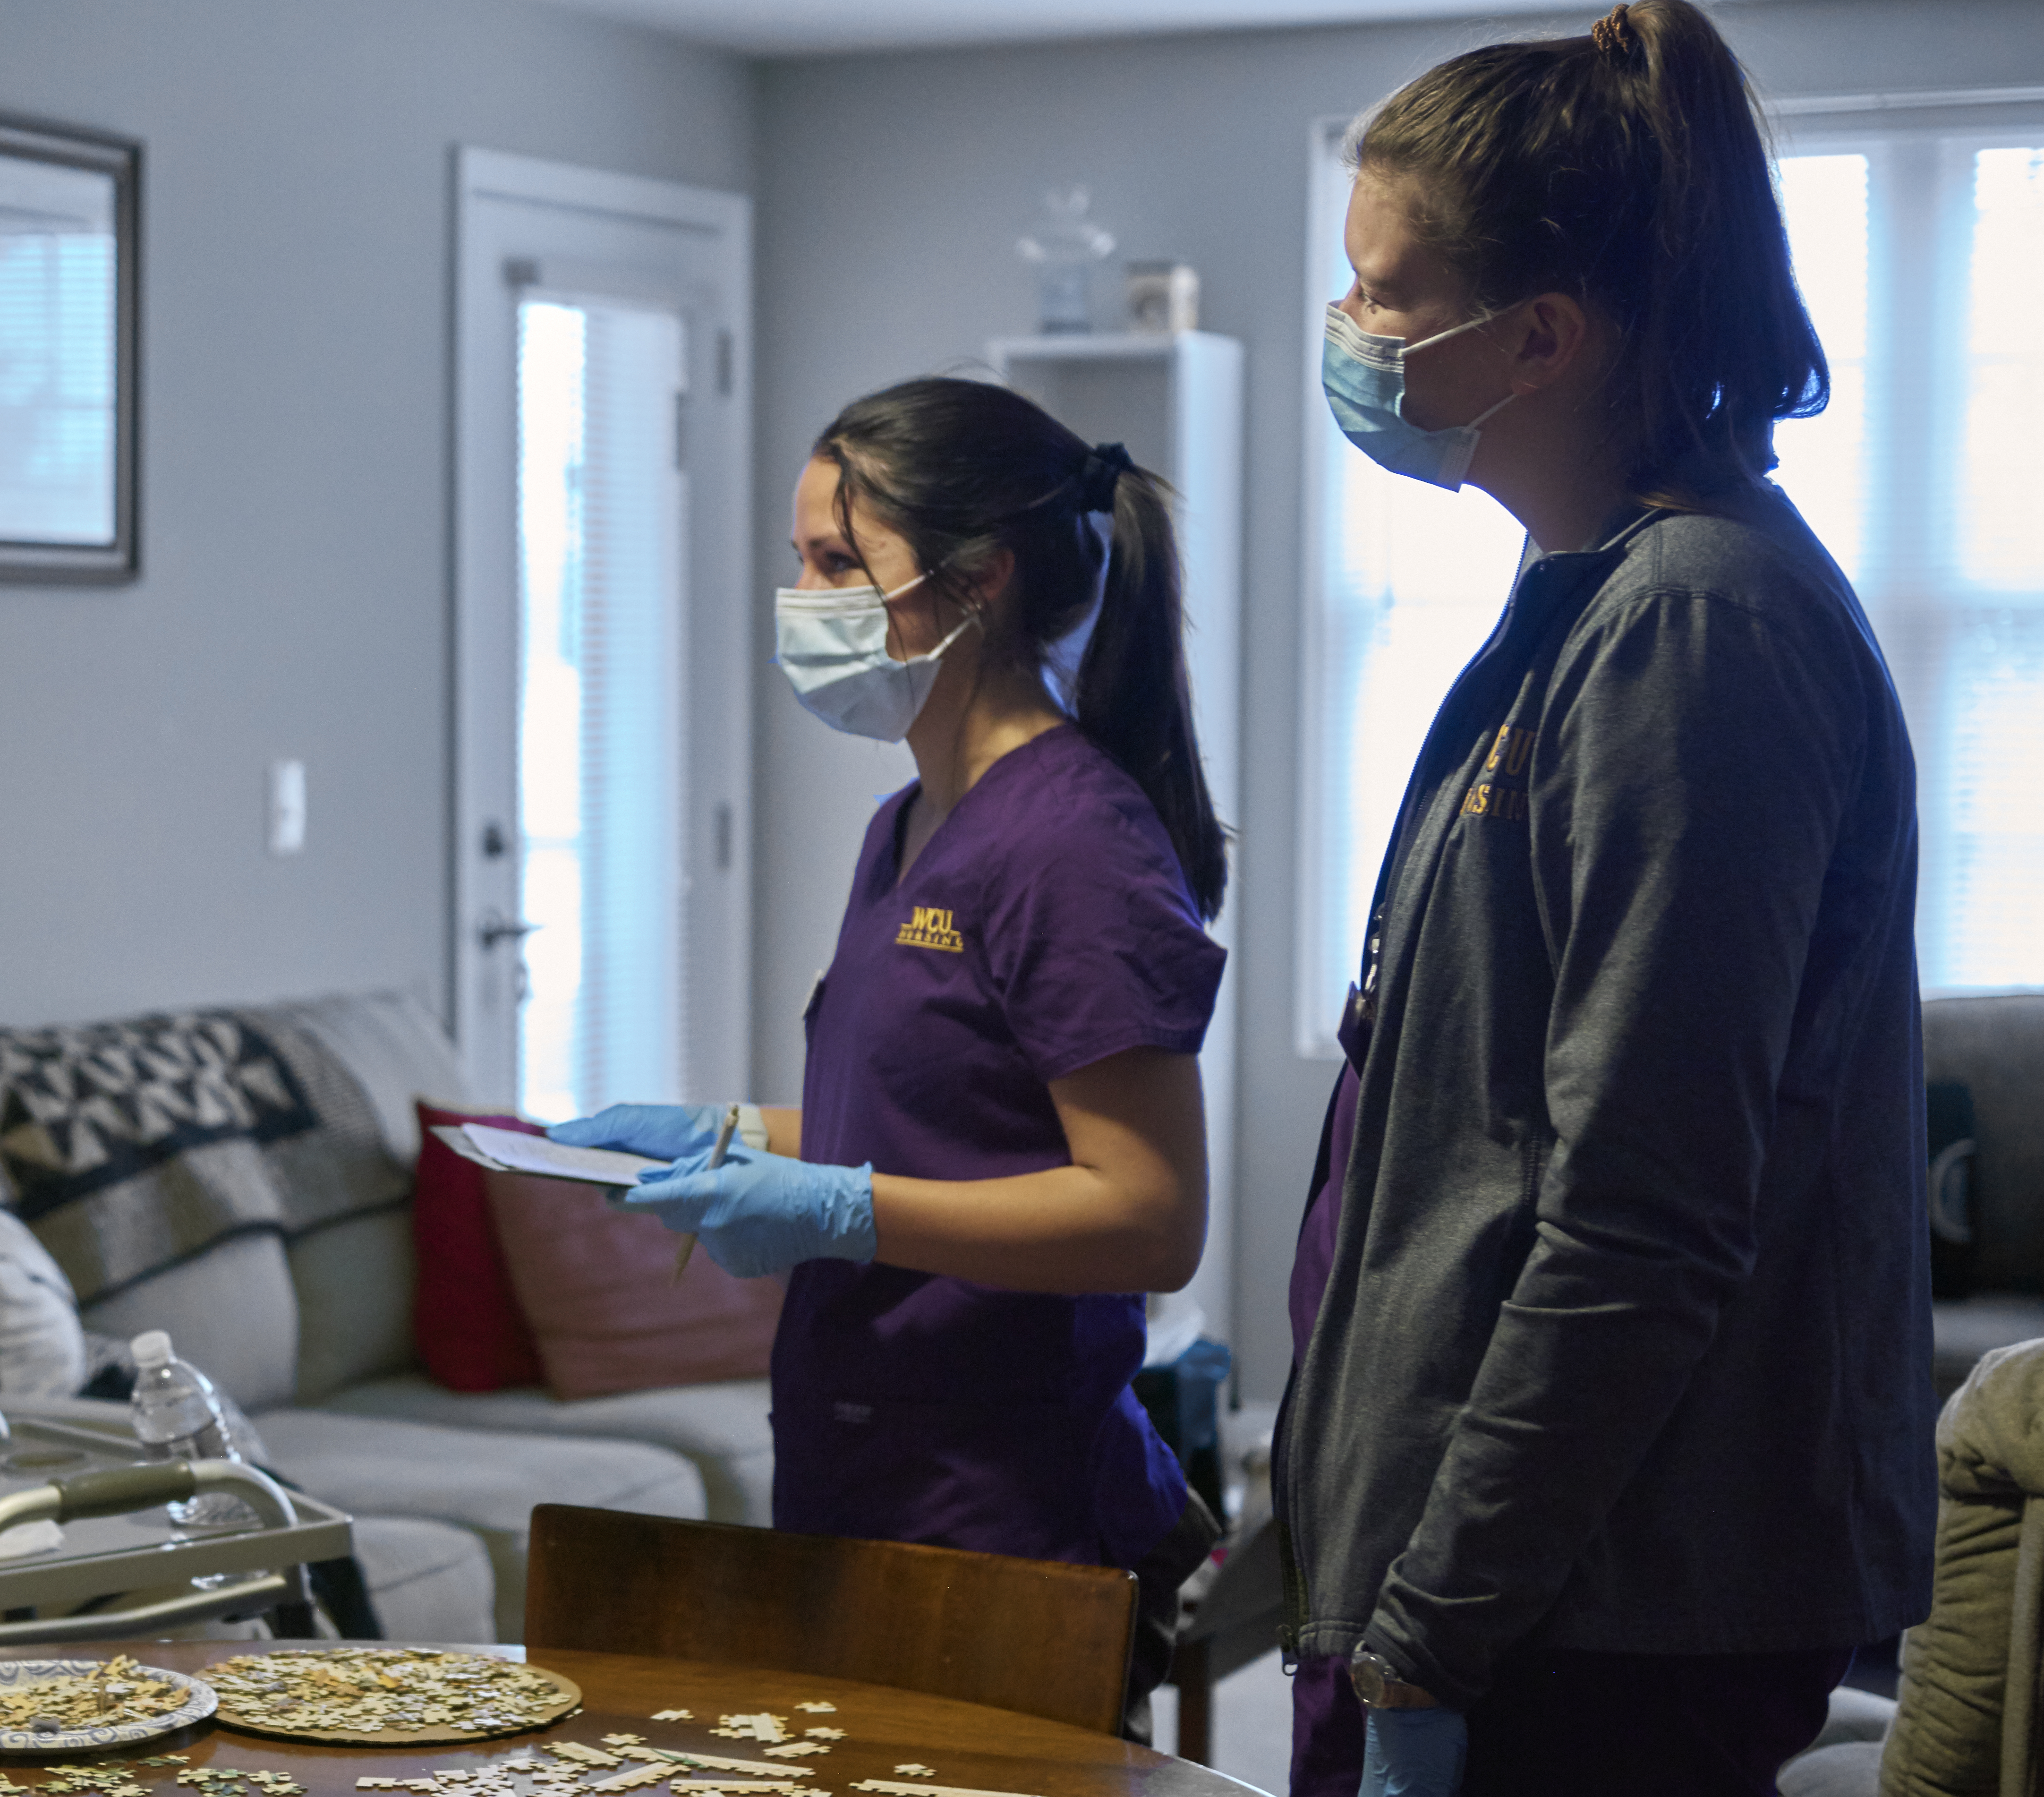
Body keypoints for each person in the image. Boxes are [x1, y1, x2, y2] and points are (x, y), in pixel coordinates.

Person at [1279, 5, 1932, 1793]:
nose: (1347, 335)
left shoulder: (1692, 625)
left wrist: (1431, 1620)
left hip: (1588, 1621)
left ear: (1542, 336)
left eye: (1382, 294)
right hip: (1505, 1594)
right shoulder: (1587, 595)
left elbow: (1638, 1212)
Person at [556, 377, 1230, 1741]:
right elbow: (938, 1114)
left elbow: (1146, 1213)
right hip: (859, 1493)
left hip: (1003, 1529)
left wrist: (843, 1210)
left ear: (976, 582)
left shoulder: (1069, 844)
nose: (796, 593)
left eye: (833, 563)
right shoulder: (908, 822)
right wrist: (734, 1133)